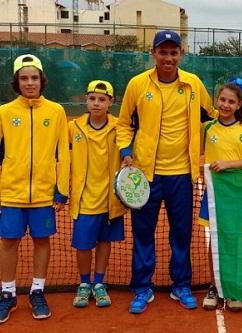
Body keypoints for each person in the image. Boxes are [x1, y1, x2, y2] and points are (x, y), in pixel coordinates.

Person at [116, 30, 219, 313]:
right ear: (153, 54)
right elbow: (124, 124)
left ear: (181, 55)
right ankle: (142, 287)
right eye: (163, 52)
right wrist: (126, 153)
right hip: (145, 176)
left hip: (182, 176)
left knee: (181, 234)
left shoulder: (193, 84)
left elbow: (213, 117)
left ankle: (181, 285)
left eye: (174, 53)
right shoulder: (138, 84)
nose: (168, 58)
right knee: (144, 233)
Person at [0, 54, 69, 323]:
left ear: (42, 80)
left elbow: (63, 153)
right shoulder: (5, 112)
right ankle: (7, 294)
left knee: (42, 241)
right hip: (10, 193)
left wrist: (61, 189)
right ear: (17, 82)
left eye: (34, 78)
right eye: (24, 78)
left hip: (43, 194)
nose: (30, 83)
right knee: (8, 242)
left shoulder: (56, 112)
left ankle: (37, 291)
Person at [200, 80, 242, 312]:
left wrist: (227, 165)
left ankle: (233, 288)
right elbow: (194, 151)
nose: (225, 105)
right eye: (222, 100)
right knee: (214, 240)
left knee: (234, 238)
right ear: (217, 101)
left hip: (238, 194)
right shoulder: (207, 128)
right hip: (214, 194)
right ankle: (214, 287)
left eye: (231, 102)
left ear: (239, 105)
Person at [69, 80, 127, 308]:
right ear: (86, 99)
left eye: (102, 99)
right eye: (92, 98)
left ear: (111, 102)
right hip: (84, 200)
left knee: (104, 242)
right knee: (83, 245)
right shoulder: (74, 127)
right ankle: (84, 284)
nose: (96, 103)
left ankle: (99, 283)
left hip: (109, 199)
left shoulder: (119, 127)